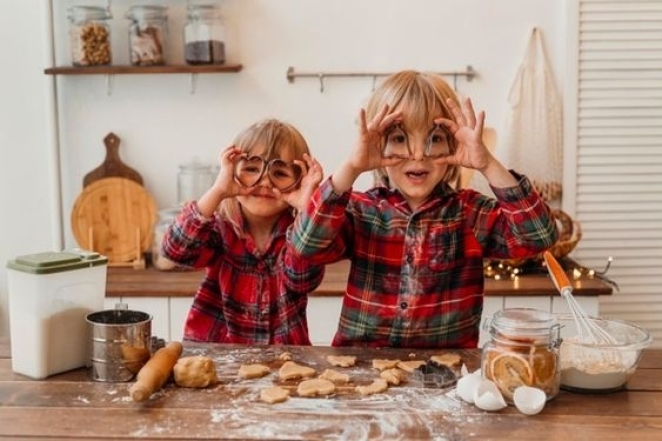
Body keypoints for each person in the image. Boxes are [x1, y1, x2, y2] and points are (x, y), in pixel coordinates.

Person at [289, 70, 559, 349]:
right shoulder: (361, 210)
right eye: (398, 138)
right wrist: (352, 167)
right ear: (376, 145)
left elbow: (538, 236)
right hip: (363, 370)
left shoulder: (469, 212)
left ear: (454, 146)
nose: (417, 155)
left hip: (447, 375)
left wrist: (487, 163)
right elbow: (306, 244)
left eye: (436, 138)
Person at [162, 119, 324, 345]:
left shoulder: (299, 235)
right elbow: (175, 251)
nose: (265, 181)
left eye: (280, 173)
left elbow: (304, 281)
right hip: (215, 354)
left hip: (285, 358)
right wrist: (218, 190)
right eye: (251, 169)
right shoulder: (220, 228)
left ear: (299, 182)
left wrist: (307, 209)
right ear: (232, 172)